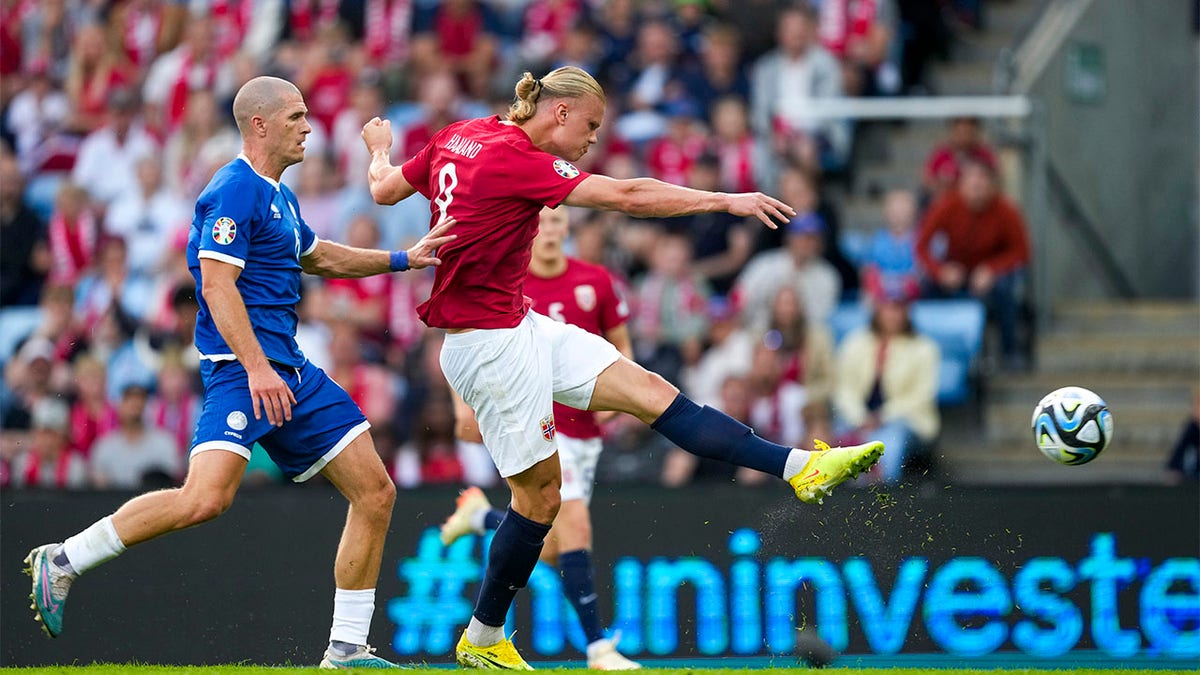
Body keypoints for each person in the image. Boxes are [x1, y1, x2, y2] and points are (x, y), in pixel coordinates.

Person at [362, 65, 884, 669]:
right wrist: (723, 198)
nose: (591, 141)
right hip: (489, 344)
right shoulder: (516, 159)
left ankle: (800, 467)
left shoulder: (458, 134)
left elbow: (383, 189)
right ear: (559, 113)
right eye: (589, 127)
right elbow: (627, 196)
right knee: (542, 500)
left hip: (520, 323)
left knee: (651, 392)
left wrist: (379, 149)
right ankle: (482, 639)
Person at [24, 76, 456, 670]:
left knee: (376, 492)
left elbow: (319, 254)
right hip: (242, 371)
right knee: (205, 499)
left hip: (292, 370)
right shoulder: (233, 189)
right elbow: (215, 284)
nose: (309, 126)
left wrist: (404, 257)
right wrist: (256, 368)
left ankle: (346, 649)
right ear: (260, 124)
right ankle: (65, 559)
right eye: (297, 116)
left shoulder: (279, 195)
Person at [439, 204, 641, 670]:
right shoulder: (508, 280)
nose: (548, 230)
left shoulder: (597, 281)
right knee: (576, 527)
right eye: (541, 221)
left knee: (551, 542)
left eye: (556, 222)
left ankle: (483, 518)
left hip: (585, 427)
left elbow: (621, 347)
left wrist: (621, 399)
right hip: (535, 421)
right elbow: (464, 338)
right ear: (528, 227)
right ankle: (598, 648)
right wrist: (461, 408)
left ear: (567, 227)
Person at [915, 158, 1031, 368]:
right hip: (955, 271)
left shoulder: (1006, 210)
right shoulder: (947, 205)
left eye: (982, 183)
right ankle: (928, 349)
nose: (977, 190)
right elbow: (921, 246)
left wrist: (992, 269)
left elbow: (1021, 252)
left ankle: (1009, 352)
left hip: (990, 273)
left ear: (992, 185)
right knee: (926, 289)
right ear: (961, 185)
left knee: (1006, 291)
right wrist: (940, 271)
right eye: (972, 183)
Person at [832, 285, 940, 483]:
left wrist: (881, 416)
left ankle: (881, 498)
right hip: (858, 418)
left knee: (889, 441)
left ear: (907, 312)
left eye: (897, 308)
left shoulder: (924, 348)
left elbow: (921, 396)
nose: (892, 315)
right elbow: (843, 388)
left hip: (904, 421)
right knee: (831, 436)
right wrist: (860, 417)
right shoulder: (855, 342)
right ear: (877, 310)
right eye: (887, 308)